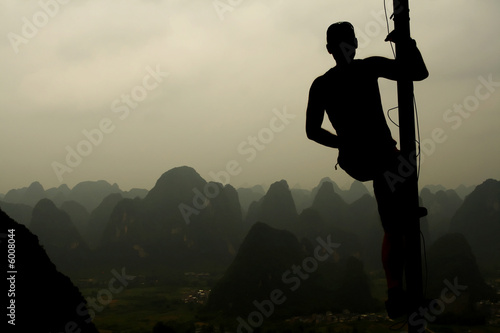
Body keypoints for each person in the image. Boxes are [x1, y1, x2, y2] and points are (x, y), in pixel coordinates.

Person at [305, 21, 428, 318]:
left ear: (329, 49)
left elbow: (312, 131)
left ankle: (395, 291)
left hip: (357, 160)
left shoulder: (322, 84)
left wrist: (342, 144)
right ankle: (395, 291)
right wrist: (406, 43)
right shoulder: (366, 68)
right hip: (380, 157)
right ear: (355, 43)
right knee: (398, 199)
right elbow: (418, 72)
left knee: (392, 223)